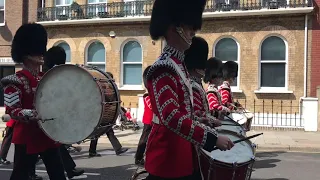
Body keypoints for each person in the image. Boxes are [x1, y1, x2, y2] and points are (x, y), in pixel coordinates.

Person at [144, 0, 234, 179]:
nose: (192, 32)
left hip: (182, 151)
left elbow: (185, 112)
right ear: (173, 28)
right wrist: (211, 138)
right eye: (188, 27)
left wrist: (203, 120)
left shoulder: (179, 65)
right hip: (167, 157)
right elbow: (171, 116)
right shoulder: (164, 68)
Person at [1, 23, 66, 180]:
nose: (41, 55)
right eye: (37, 53)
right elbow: (12, 110)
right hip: (27, 136)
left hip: (46, 133)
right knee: (19, 175)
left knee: (58, 174)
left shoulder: (46, 78)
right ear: (26, 55)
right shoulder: (15, 80)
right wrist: (33, 113)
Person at [43, 46, 85, 179]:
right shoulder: (46, 73)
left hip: (51, 116)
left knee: (56, 147)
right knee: (26, 160)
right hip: (40, 118)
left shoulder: (52, 70)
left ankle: (70, 169)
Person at [89, 72, 129, 157]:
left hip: (104, 113)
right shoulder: (104, 88)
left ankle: (93, 151)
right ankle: (117, 149)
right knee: (102, 132)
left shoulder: (104, 87)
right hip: (102, 113)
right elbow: (110, 99)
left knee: (106, 131)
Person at [184, 37, 221, 128]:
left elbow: (203, 111)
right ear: (196, 67)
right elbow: (196, 115)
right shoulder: (192, 87)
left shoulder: (196, 85)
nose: (205, 69)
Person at [134, 66, 152, 166]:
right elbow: (152, 107)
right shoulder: (147, 95)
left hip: (154, 121)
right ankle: (138, 157)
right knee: (144, 140)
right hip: (148, 120)